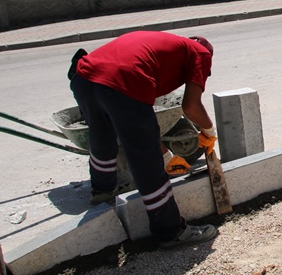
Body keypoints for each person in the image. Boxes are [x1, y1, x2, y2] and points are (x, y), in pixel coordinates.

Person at [69, 31, 218, 250]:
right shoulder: (200, 52)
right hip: (119, 81)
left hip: (84, 77)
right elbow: (191, 106)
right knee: (147, 164)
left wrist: (166, 155)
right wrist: (209, 131)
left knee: (102, 135)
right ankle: (170, 231)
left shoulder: (163, 44)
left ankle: (102, 190)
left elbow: (139, 127)